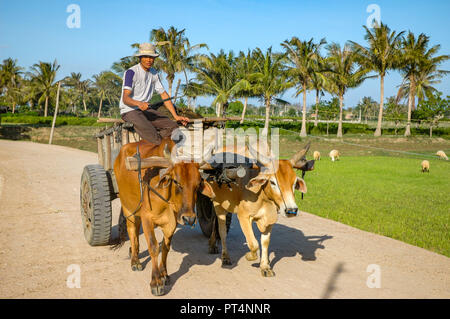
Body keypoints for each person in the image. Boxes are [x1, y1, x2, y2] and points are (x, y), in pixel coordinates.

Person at [119, 42, 189, 145]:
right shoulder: (131, 72)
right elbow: (126, 99)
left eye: (151, 57)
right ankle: (157, 143)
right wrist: (139, 103)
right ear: (140, 57)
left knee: (173, 127)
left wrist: (176, 116)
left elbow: (164, 95)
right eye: (146, 57)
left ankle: (159, 144)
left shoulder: (154, 73)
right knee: (155, 138)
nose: (149, 60)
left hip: (145, 110)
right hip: (130, 110)